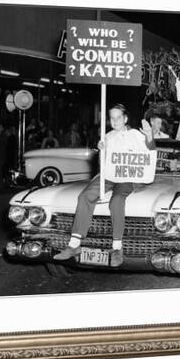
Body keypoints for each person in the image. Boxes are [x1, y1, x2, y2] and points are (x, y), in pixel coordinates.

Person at [53, 104, 154, 267]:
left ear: (125, 119)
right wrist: (102, 151)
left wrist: (149, 135)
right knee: (85, 196)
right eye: (112, 118)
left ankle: (117, 248)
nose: (115, 121)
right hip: (108, 176)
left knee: (116, 201)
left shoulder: (136, 134)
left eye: (118, 117)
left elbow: (149, 150)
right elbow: (103, 163)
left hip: (127, 177)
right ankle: (74, 244)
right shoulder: (107, 136)